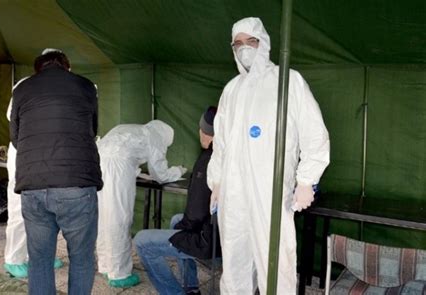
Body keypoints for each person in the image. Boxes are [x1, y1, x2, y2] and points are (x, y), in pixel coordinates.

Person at [207, 17, 330, 294]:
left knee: (275, 266)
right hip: (233, 195)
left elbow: (315, 134)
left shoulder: (288, 81)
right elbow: (221, 145)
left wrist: (306, 180)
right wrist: (216, 181)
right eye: (237, 43)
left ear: (265, 44)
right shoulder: (231, 89)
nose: (244, 48)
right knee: (235, 264)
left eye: (251, 41)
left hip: (270, 194)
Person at [9, 49, 103, 295]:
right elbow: (91, 129)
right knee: (81, 258)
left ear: (37, 69)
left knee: (39, 260)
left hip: (33, 186)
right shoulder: (85, 86)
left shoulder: (22, 89)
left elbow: (16, 138)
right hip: (77, 186)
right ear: (67, 67)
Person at [134, 106, 220, 295]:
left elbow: (196, 212)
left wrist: (184, 229)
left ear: (206, 132)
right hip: (222, 232)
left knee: (141, 241)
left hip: (209, 241)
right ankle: (191, 287)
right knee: (175, 220)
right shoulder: (227, 154)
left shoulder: (208, 160)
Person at [96, 120, 187, 288]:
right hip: (118, 168)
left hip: (98, 163)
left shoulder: (133, 129)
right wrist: (178, 170)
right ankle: (119, 273)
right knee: (119, 218)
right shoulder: (156, 137)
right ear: (166, 136)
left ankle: (105, 264)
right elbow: (160, 174)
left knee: (104, 216)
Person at [3, 80, 63, 278]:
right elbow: (14, 118)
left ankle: (40, 256)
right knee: (20, 210)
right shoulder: (25, 86)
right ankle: (14, 259)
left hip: (44, 159)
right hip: (24, 157)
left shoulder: (55, 87)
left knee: (44, 212)